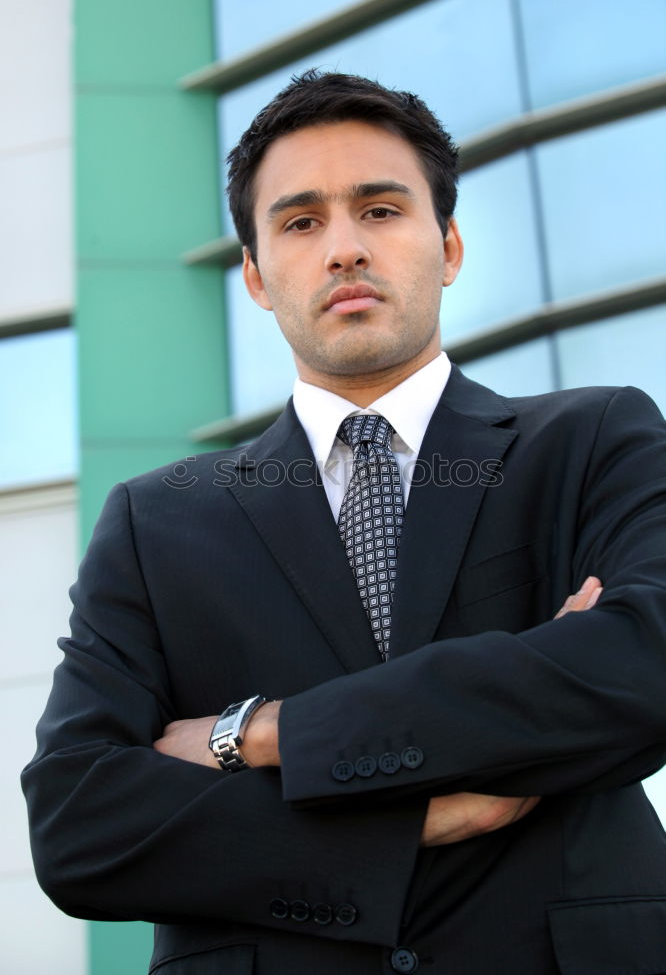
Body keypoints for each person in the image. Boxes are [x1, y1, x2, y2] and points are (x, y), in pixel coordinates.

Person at [22, 71, 666, 974]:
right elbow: (78, 822)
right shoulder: (155, 520)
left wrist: (261, 735)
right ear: (253, 275)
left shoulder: (594, 440)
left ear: (448, 246)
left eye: (381, 210)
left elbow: (644, 664)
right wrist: (410, 822)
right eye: (299, 222)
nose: (343, 250)